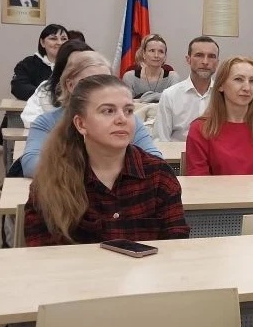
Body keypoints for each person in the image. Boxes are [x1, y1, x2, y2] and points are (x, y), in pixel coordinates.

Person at [23, 74, 189, 246]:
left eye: (128, 111)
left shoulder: (159, 174)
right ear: (81, 124)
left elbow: (176, 245)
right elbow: (41, 251)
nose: (122, 119)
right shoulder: (52, 179)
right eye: (108, 111)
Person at [21, 52, 161, 177]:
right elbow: (31, 164)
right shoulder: (47, 122)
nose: (101, 89)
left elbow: (154, 160)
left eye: (106, 81)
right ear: (70, 85)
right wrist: (97, 174)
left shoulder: (127, 120)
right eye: (90, 83)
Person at [185, 57, 253, 176]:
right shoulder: (200, 128)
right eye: (238, 79)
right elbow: (198, 179)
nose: (247, 88)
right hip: (216, 189)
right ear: (221, 85)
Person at [155, 37, 220, 142]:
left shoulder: (224, 95)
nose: (205, 61)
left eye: (211, 56)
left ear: (217, 62)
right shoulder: (170, 95)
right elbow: (161, 140)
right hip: (179, 152)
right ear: (188, 59)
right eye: (199, 55)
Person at [21, 40, 93, 127]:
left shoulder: (103, 88)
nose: (80, 69)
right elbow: (30, 119)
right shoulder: (46, 89)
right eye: (74, 65)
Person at [10, 24, 68, 100]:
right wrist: (47, 96)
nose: (59, 43)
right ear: (42, 42)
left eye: (64, 39)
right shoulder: (28, 64)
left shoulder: (75, 64)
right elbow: (18, 86)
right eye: (53, 38)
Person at [122, 34, 180, 102]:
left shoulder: (172, 77)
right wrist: (161, 97)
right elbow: (126, 103)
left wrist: (144, 98)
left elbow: (174, 100)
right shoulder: (130, 77)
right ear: (144, 54)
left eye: (161, 51)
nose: (156, 55)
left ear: (165, 56)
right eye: (152, 51)